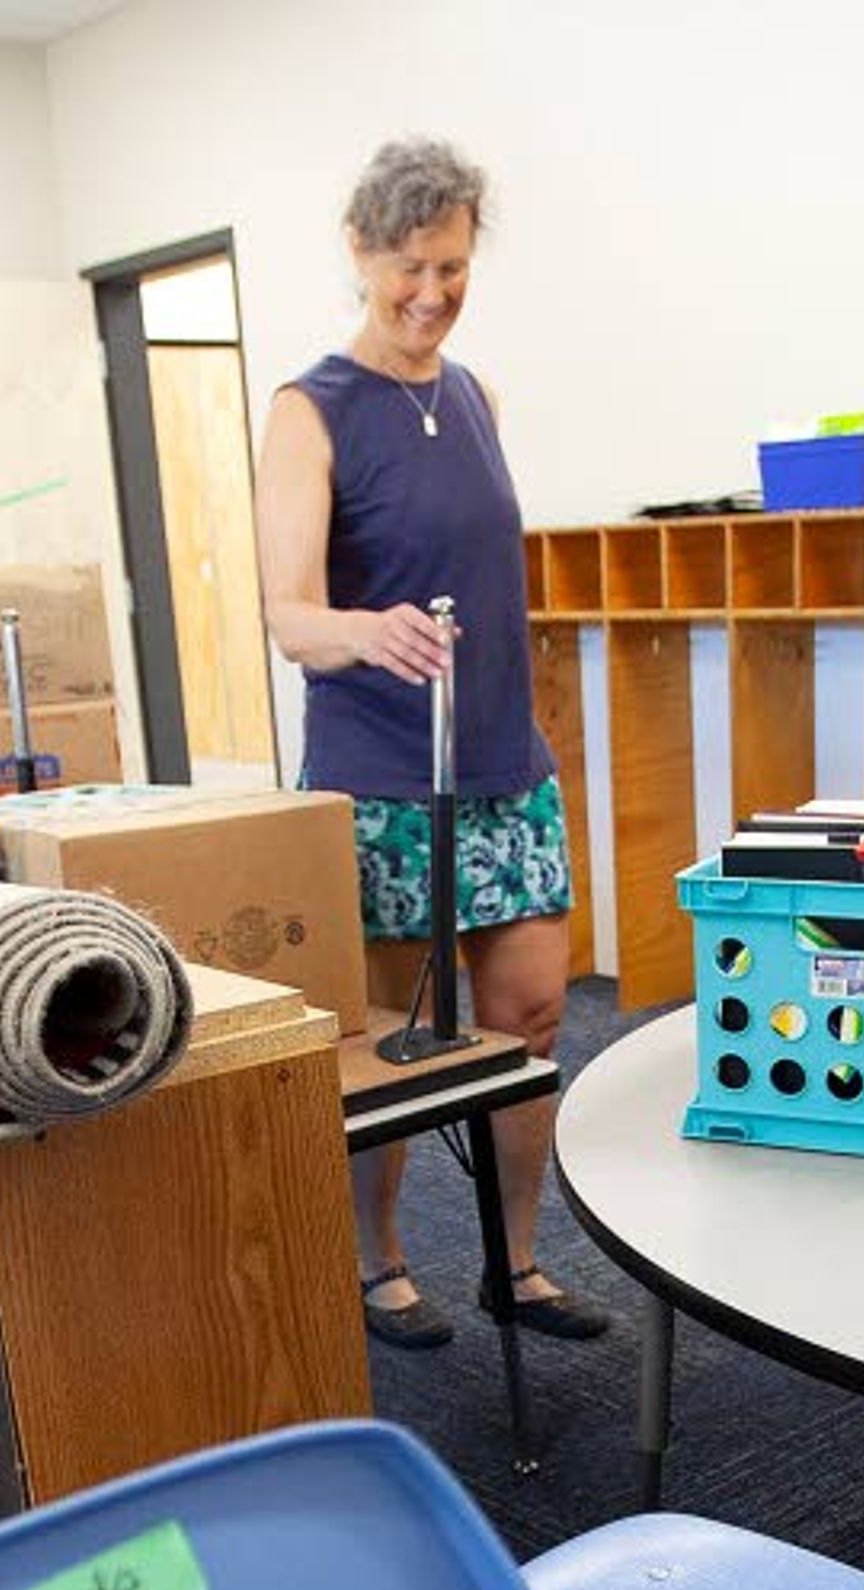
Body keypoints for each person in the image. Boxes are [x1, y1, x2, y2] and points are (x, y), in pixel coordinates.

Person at [255, 136, 605, 1349]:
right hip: (383, 782)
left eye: (452, 267)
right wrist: (368, 629)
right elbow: (287, 613)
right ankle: (377, 1263)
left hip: (507, 768)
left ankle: (515, 1264)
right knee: (388, 1056)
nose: (432, 293)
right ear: (361, 252)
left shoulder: (475, 395)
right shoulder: (313, 410)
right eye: (410, 266)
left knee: (534, 1019)